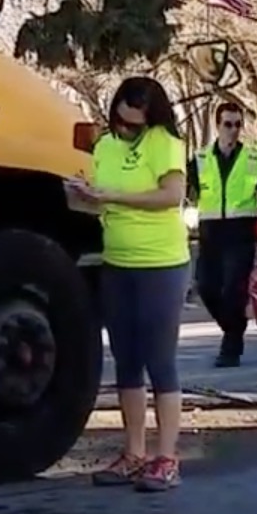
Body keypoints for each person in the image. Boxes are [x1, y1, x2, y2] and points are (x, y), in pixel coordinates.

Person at [72, 76, 191, 491]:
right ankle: (134, 452)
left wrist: (113, 197)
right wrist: (85, 196)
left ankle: (167, 457)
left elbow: (170, 195)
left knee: (160, 360)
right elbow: (101, 195)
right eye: (118, 122)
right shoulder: (104, 146)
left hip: (160, 263)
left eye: (133, 126)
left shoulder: (164, 143)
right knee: (126, 361)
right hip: (117, 261)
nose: (124, 131)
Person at [189, 100, 257, 368]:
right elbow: (189, 195)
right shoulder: (200, 159)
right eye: (228, 124)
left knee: (233, 291)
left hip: (241, 232)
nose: (233, 130)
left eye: (238, 125)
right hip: (211, 232)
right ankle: (233, 326)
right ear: (218, 126)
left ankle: (231, 346)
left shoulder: (253, 158)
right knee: (206, 287)